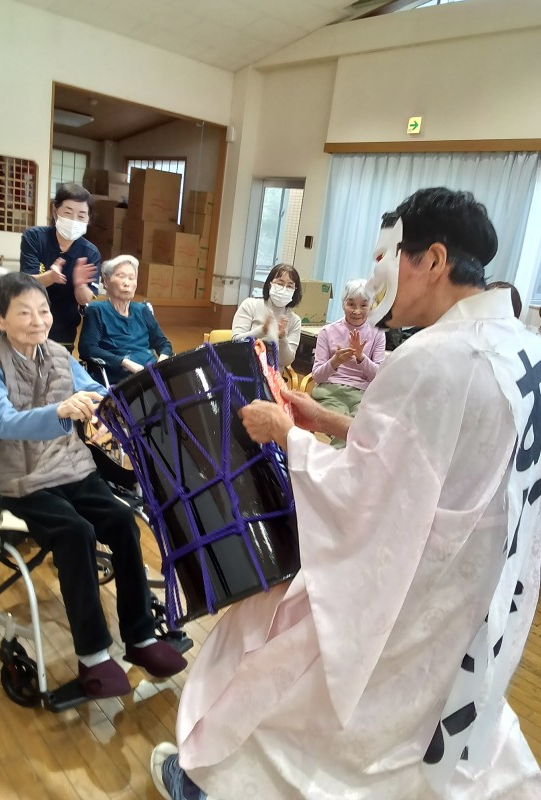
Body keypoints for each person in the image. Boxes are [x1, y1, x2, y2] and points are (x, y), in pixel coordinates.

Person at [150, 188, 541, 799]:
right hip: (479, 582)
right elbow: (433, 455)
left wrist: (287, 436)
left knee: (279, 663)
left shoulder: (438, 357)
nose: (378, 275)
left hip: (403, 576)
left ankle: (211, 783)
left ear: (433, 260)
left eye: (388, 257)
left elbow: (367, 495)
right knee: (425, 710)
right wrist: (330, 421)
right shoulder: (520, 346)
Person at [0, 272, 187, 699]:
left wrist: (121, 403)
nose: (38, 321)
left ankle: (141, 637)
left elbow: (92, 392)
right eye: (25, 313)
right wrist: (59, 411)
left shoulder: (58, 355)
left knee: (123, 522)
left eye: (44, 310)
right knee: (75, 532)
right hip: (19, 476)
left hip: (69, 466)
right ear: (0, 318)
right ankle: (94, 656)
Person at [20, 183, 100, 349]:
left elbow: (85, 299)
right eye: (68, 213)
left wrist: (80, 285)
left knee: (58, 364)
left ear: (88, 218)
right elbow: (26, 283)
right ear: (55, 211)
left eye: (81, 216)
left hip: (64, 328)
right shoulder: (34, 237)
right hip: (29, 322)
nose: (74, 221)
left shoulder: (90, 253)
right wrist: (50, 277)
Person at [78, 254, 172, 385]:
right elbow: (88, 349)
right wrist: (124, 362)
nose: (127, 283)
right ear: (106, 281)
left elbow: (164, 344)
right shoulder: (97, 310)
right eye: (121, 276)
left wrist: (161, 363)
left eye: (131, 278)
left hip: (151, 376)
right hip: (120, 381)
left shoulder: (142, 310)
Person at [311, 278, 386, 436]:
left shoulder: (378, 334)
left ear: (371, 306)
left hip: (362, 396)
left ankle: (339, 452)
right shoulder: (327, 332)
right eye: (351, 304)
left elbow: (378, 376)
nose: (357, 311)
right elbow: (317, 376)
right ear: (343, 304)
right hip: (330, 393)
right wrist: (335, 362)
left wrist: (361, 358)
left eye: (363, 305)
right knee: (345, 430)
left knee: (362, 429)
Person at [232, 264, 302, 368]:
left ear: (295, 290)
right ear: (270, 284)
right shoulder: (250, 305)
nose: (284, 289)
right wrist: (261, 331)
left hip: (273, 376)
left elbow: (286, 361)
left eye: (289, 286)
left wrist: (282, 338)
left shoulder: (295, 320)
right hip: (243, 369)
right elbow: (235, 342)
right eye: (280, 283)